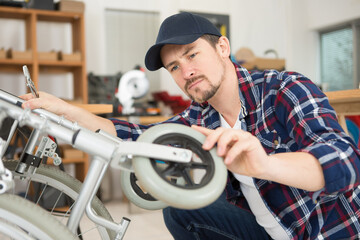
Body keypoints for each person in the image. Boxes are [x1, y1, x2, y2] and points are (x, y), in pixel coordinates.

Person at [21, 12, 360, 240]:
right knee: (179, 211)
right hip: (265, 230)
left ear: (222, 47)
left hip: (321, 232)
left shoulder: (283, 88)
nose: (186, 72)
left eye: (192, 54)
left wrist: (266, 165)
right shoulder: (199, 118)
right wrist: (65, 110)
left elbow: (345, 158)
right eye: (174, 66)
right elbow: (137, 137)